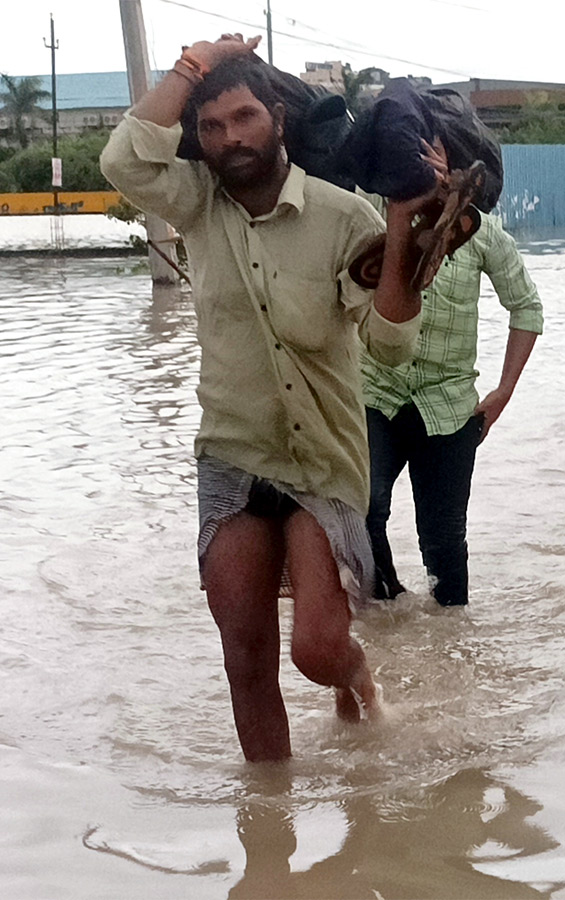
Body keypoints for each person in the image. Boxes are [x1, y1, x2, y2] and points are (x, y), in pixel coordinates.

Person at [100, 35, 440, 761]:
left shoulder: (343, 217)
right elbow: (123, 159)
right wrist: (193, 64)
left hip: (322, 456)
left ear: (278, 118)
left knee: (316, 649)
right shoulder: (194, 205)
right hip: (232, 449)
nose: (231, 139)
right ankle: (269, 840)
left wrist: (405, 225)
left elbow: (391, 345)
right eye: (213, 127)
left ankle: (363, 684)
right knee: (244, 654)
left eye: (246, 117)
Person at [362, 210, 542, 606]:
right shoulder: (374, 212)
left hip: (449, 405)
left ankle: (451, 644)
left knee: (443, 542)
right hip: (374, 393)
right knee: (364, 507)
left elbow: (527, 307)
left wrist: (505, 390)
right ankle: (389, 614)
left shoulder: (483, 233)